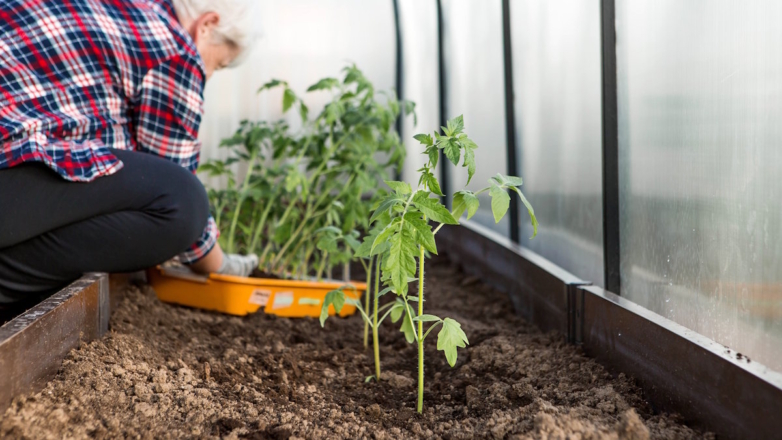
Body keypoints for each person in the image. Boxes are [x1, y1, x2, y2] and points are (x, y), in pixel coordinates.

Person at [0, 0, 259, 304]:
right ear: (207, 25)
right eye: (219, 64)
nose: (210, 74)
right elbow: (170, 172)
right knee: (184, 201)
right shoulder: (174, 46)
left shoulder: (122, 12)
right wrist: (222, 266)